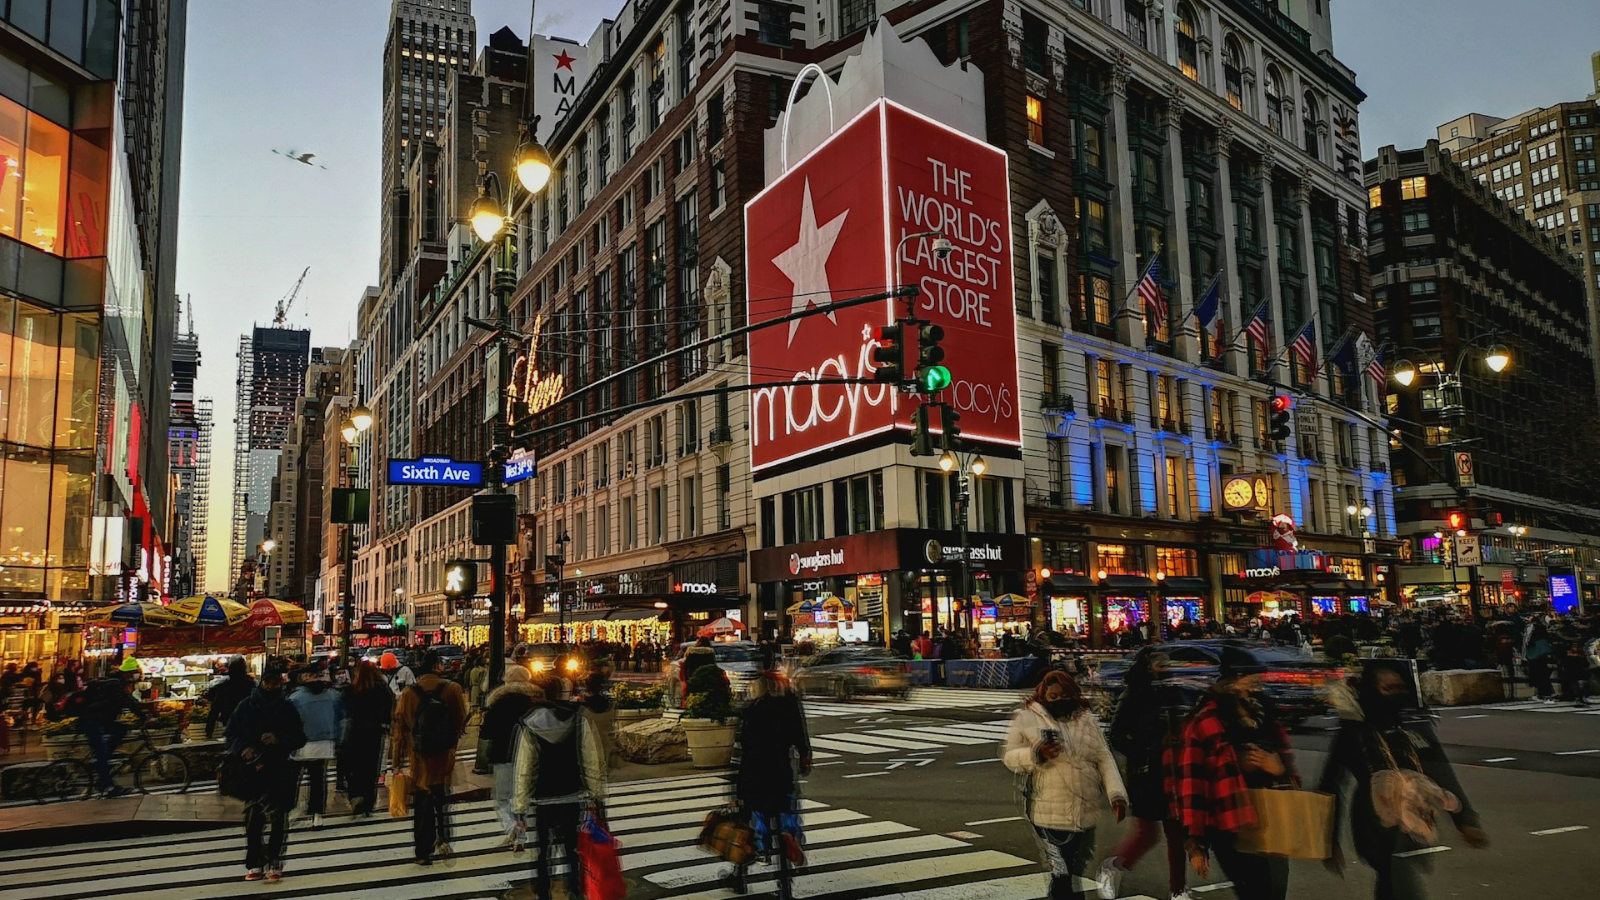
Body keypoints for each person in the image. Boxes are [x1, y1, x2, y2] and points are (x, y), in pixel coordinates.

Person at [1318, 666, 1489, 900]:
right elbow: (1331, 784)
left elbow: (1440, 771)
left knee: (1394, 880)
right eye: (1387, 688)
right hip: (1373, 819)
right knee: (1397, 876)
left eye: (1400, 688)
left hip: (1414, 816)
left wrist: (1465, 820)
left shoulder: (1412, 726)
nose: (1395, 694)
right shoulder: (1355, 731)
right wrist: (1328, 839)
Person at [1172, 657, 1295, 900]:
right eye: (1251, 682)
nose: (1255, 688)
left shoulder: (1264, 714)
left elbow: (1288, 762)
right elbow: (1191, 783)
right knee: (1254, 891)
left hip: (1271, 813)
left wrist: (1278, 767)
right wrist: (1195, 842)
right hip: (1229, 821)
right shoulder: (1206, 721)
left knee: (1276, 889)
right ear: (1233, 683)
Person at [1002, 671, 1127, 900]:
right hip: (1047, 813)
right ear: (1044, 695)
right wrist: (1036, 754)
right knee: (1062, 876)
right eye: (1053, 695)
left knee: (1072, 871)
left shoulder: (1085, 719)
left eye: (1065, 695)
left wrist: (1116, 794)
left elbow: (1103, 757)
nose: (1060, 700)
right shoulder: (1028, 718)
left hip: (1084, 810)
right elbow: (1010, 757)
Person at [1102, 650, 1191, 900]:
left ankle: (1178, 890)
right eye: (1158, 662)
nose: (1164, 666)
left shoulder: (1172, 691)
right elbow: (1117, 735)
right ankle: (1115, 866)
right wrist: (1144, 752)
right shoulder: (1134, 694)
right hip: (1146, 772)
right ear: (1147, 666)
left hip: (1173, 768)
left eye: (1166, 662)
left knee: (1176, 833)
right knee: (1147, 833)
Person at [722, 651, 812, 895]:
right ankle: (785, 884)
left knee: (747, 826)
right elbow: (799, 732)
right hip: (781, 770)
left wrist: (735, 785)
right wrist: (804, 756)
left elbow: (742, 744)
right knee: (783, 816)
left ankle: (741, 875)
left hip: (754, 772)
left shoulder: (753, 701)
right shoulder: (788, 698)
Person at [513, 673, 609, 900]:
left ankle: (544, 892)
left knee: (542, 851)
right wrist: (596, 795)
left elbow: (525, 767)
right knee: (572, 849)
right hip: (571, 794)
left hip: (543, 797)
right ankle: (575, 891)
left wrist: (520, 805)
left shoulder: (530, 724)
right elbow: (590, 761)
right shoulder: (578, 720)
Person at [225, 668, 307, 883]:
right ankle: (255, 861)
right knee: (253, 819)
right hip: (251, 769)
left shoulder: (287, 707)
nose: (271, 687)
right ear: (261, 683)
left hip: (278, 767)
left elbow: (299, 737)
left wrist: (278, 739)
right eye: (268, 682)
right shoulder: (246, 707)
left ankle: (274, 860)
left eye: (275, 683)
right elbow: (231, 734)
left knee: (278, 817)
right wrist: (242, 748)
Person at [391, 649, 469, 865]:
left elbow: (399, 728)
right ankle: (443, 838)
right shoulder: (452, 689)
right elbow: (461, 720)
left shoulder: (408, 694)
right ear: (437, 666)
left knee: (422, 802)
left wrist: (396, 762)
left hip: (419, 756)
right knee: (442, 798)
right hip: (443, 755)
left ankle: (422, 851)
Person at [482, 665, 543, 847]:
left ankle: (513, 828)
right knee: (522, 796)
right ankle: (520, 835)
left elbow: (486, 732)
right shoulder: (535, 701)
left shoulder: (497, 702)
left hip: (504, 753)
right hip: (529, 755)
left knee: (502, 797)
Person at [77, 658, 147, 795]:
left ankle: (105, 757)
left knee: (122, 729)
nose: (136, 675)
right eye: (134, 672)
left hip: (101, 720)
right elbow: (126, 701)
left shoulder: (116, 683)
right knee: (101, 753)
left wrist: (142, 713)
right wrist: (144, 717)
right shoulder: (114, 684)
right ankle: (108, 786)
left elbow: (128, 700)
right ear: (126, 673)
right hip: (91, 720)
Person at [287, 666, 342, 828]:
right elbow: (341, 715)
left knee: (293, 778)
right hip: (324, 743)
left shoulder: (295, 698)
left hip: (301, 743)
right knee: (317, 779)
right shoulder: (333, 695)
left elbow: (289, 721)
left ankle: (291, 808)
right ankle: (317, 813)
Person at [340, 660, 394, 817]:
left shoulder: (351, 690)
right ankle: (369, 801)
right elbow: (388, 706)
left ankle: (356, 795)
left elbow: (346, 709)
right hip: (374, 732)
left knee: (354, 766)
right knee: (371, 767)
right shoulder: (381, 688)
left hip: (355, 731)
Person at [205, 657, 256, 741]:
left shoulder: (224, 687)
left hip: (229, 720)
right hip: (248, 722)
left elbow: (215, 709)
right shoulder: (251, 686)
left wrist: (209, 730)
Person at [1523, 617, 1556, 701]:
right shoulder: (1543, 627)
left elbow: (1527, 641)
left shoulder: (1531, 627)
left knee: (1538, 674)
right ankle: (1548, 692)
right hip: (1543, 653)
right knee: (1544, 674)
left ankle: (1542, 694)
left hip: (1535, 653)